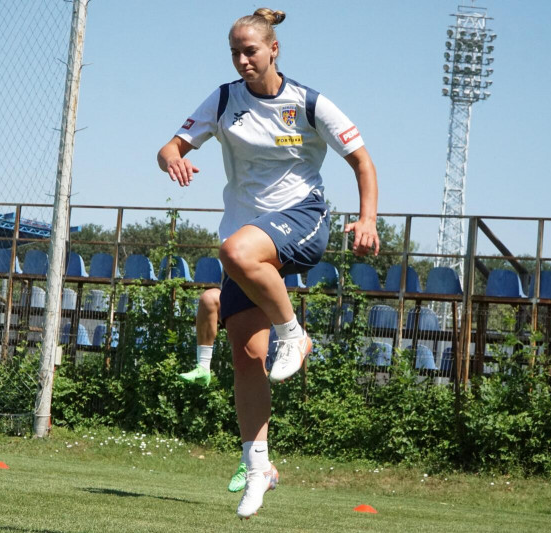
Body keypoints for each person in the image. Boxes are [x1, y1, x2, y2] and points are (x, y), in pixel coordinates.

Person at [157, 7, 379, 519]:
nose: (242, 60)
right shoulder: (223, 99)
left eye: (250, 50)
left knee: (234, 251)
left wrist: (367, 219)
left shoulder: (308, 102)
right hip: (250, 240)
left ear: (273, 49)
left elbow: (362, 159)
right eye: (235, 52)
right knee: (247, 359)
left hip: (302, 219)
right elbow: (170, 145)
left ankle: (294, 333)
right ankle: (258, 467)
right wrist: (172, 156)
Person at [177, 287, 248, 493]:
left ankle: (251, 462)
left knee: (251, 384)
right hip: (240, 299)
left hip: (264, 310)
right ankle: (203, 366)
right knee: (209, 298)